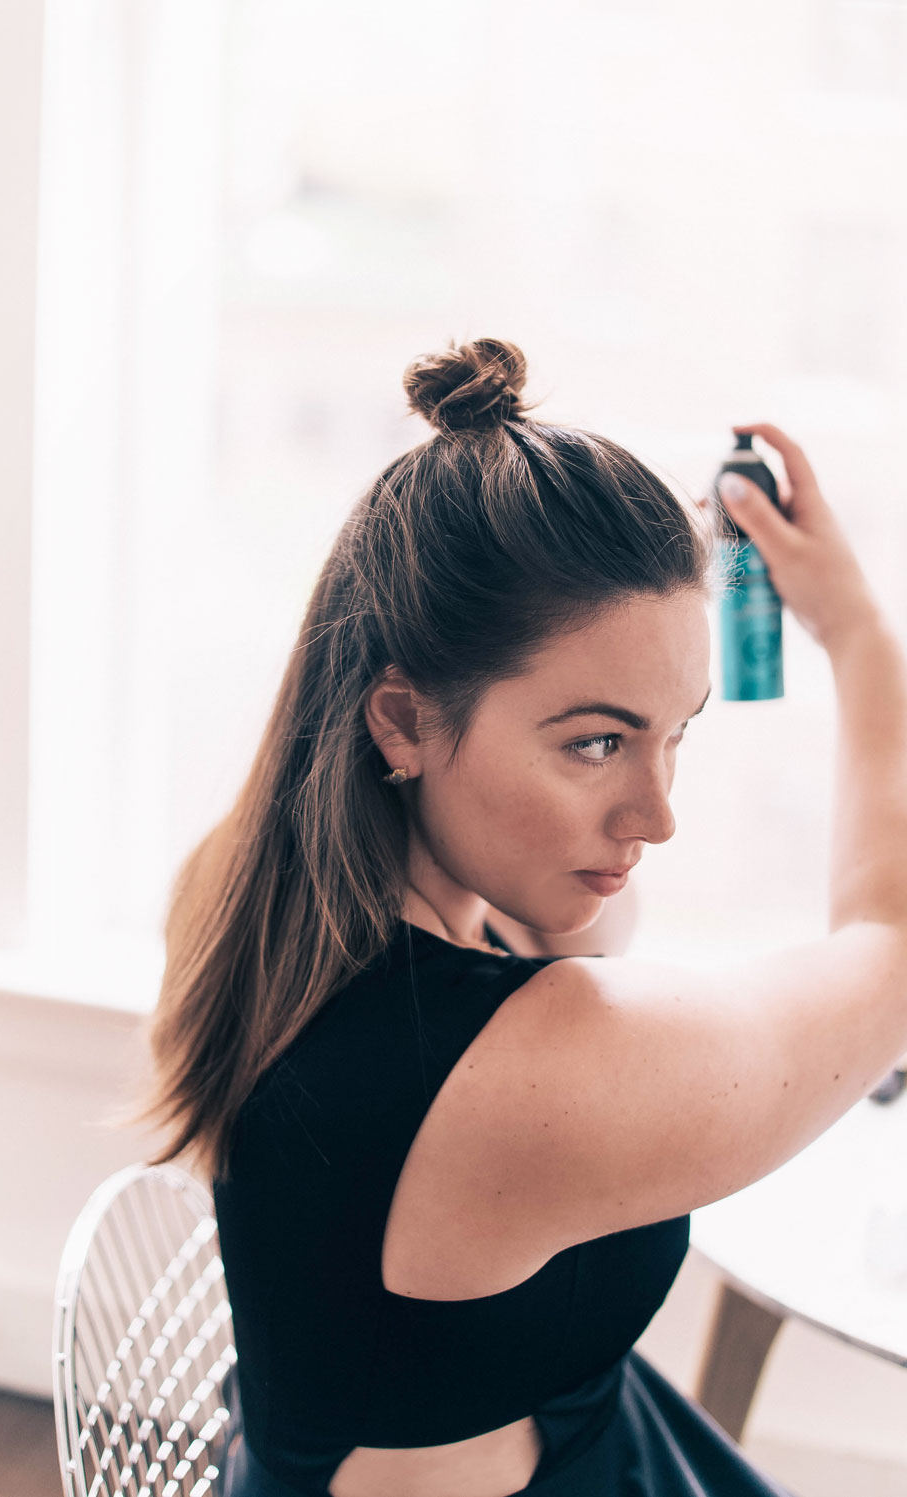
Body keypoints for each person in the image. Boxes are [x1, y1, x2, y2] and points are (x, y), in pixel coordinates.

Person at [141, 338, 907, 1496]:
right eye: (595, 743)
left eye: (675, 734)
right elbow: (890, 947)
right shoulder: (544, 1064)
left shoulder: (251, 889)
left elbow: (601, 931)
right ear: (401, 721)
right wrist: (853, 630)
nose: (656, 817)